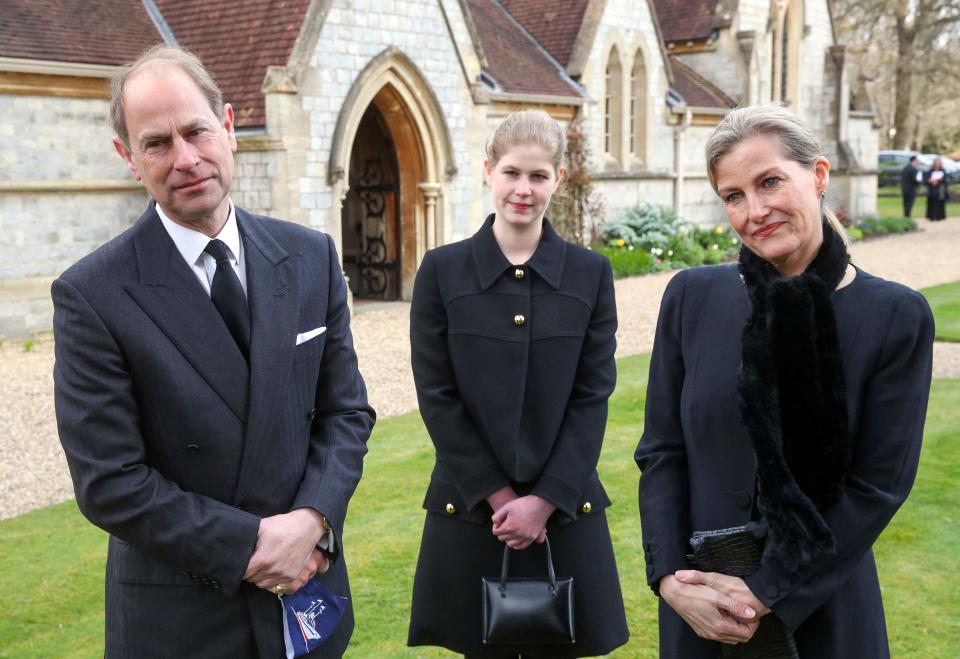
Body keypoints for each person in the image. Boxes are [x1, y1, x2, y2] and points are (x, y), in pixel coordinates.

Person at [52, 45, 374, 658]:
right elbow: (109, 482)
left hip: (307, 598)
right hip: (183, 621)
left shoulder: (309, 257)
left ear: (228, 127)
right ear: (128, 158)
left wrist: (313, 523)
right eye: (157, 143)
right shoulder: (92, 294)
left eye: (196, 131)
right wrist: (251, 547)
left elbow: (346, 414)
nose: (185, 159)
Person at [635, 105, 933, 657]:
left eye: (770, 181)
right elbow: (662, 451)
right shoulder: (692, 297)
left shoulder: (895, 314)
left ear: (818, 176)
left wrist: (766, 590)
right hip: (700, 609)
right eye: (734, 196)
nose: (756, 210)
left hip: (823, 608)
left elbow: (877, 486)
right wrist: (670, 577)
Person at [407, 110, 629, 658]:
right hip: (473, 512)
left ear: (558, 178)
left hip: (565, 515)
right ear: (488, 171)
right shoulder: (440, 271)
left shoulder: (590, 273)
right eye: (511, 173)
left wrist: (545, 500)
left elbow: (591, 396)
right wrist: (501, 497)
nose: (523, 190)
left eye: (538, 175)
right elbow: (437, 397)